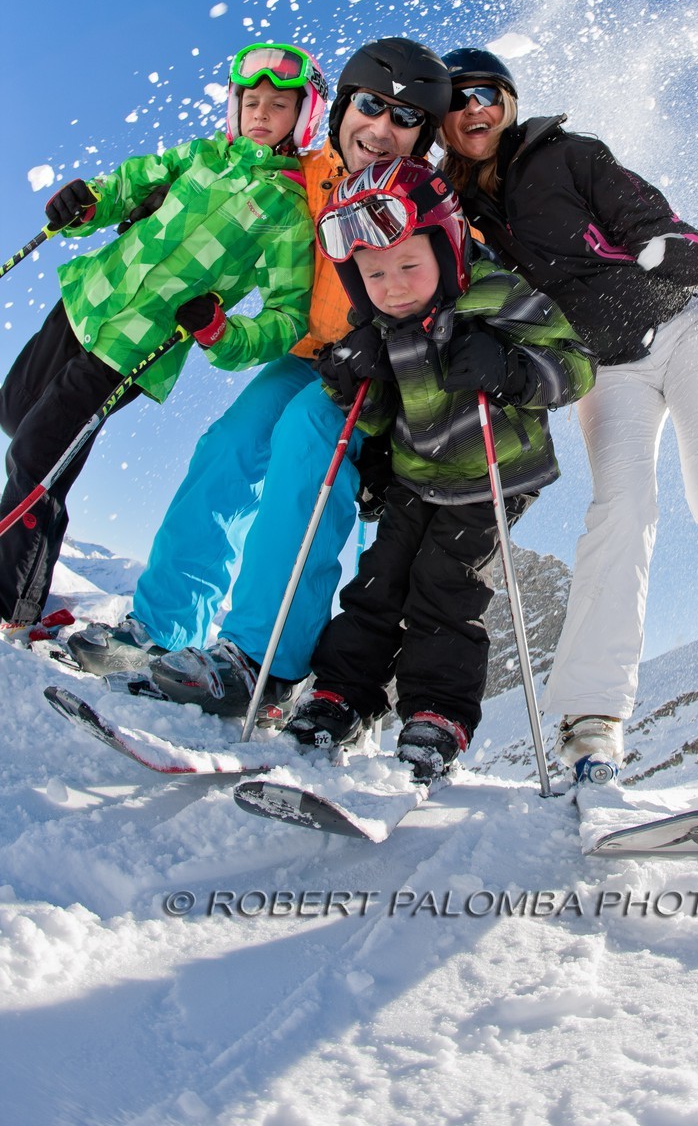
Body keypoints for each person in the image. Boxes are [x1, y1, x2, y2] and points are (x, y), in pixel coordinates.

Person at [437, 47, 698, 778]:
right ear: (441, 120)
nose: (475, 108)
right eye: (458, 97)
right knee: (621, 510)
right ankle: (591, 717)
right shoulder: (455, 209)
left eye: (489, 93)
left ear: (508, 104)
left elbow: (661, 234)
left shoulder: (568, 155)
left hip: (683, 329)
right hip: (604, 371)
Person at [68, 38, 455, 721]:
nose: (381, 129)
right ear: (341, 108)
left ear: (422, 137)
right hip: (308, 353)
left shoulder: (422, 195)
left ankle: (263, 660)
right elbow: (222, 179)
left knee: (307, 442)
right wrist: (152, 205)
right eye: (370, 107)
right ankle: (163, 628)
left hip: (377, 366)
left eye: (405, 119)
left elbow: (456, 274)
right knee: (228, 445)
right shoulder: (302, 171)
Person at [280, 155, 595, 781]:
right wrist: (351, 382)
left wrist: (512, 371)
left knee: (445, 586)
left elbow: (577, 366)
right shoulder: (379, 328)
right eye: (373, 274)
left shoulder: (497, 294)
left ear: (447, 250)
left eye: (408, 265)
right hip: (415, 473)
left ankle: (436, 714)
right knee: (378, 582)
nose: (393, 286)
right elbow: (377, 418)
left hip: (491, 471)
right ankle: (341, 695)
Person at [0, 42, 320, 634]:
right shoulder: (201, 155)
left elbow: (287, 317)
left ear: (301, 118)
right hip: (87, 299)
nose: (261, 113)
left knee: (36, 457)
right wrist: (87, 203)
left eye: (279, 105)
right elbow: (127, 185)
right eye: (252, 101)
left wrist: (222, 333)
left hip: (132, 347)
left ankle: (9, 606)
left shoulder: (286, 208)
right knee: (16, 416)